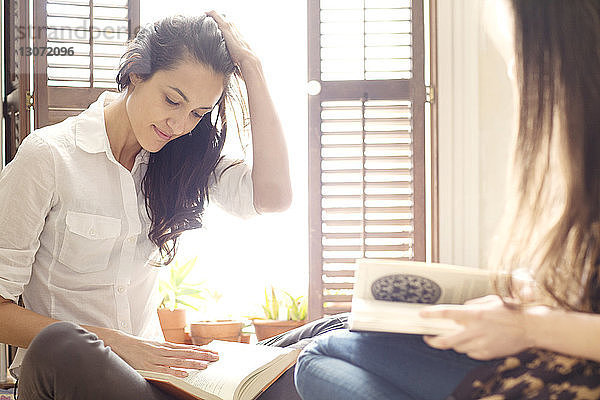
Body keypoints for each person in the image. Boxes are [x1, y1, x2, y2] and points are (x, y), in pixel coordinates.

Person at [294, 1, 600, 399]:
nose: (514, 75)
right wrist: (536, 291)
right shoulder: (580, 160)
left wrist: (530, 326)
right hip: (566, 352)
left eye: (516, 59)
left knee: (320, 355)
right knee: (332, 336)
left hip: (573, 374)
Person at [0, 11, 302, 399]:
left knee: (323, 341)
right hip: (73, 374)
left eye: (198, 113)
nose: (179, 124)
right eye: (172, 100)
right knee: (63, 344)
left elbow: (275, 198)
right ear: (136, 72)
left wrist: (253, 69)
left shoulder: (181, 159)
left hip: (154, 380)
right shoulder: (49, 158)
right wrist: (116, 344)